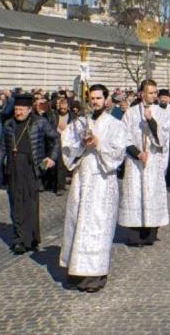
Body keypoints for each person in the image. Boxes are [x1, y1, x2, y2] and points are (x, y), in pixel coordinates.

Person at [59, 84, 129, 293]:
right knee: (78, 222)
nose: (95, 101)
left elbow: (118, 153)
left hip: (102, 181)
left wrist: (98, 144)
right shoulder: (80, 122)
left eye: (99, 98)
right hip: (82, 178)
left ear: (106, 100)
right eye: (92, 98)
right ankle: (77, 271)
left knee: (98, 226)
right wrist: (81, 143)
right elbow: (67, 145)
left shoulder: (115, 124)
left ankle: (96, 274)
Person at [0, 94, 59, 254]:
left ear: (29, 109)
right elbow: (2, 148)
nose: (18, 112)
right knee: (16, 204)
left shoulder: (40, 122)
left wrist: (52, 158)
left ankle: (32, 238)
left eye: (21, 109)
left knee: (30, 204)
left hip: (32, 168)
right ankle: (19, 240)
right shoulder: (9, 124)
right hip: (13, 168)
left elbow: (56, 139)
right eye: (16, 109)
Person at [119, 80, 170, 247]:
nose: (154, 96)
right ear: (142, 93)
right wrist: (137, 153)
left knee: (151, 195)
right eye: (151, 93)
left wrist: (151, 121)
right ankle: (135, 236)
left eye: (155, 93)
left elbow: (164, 138)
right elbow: (123, 136)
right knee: (135, 195)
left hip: (153, 160)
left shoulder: (161, 113)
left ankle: (150, 234)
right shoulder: (130, 113)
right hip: (135, 161)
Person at [47, 97, 74, 196]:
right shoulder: (54, 114)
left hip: (66, 142)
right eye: (61, 108)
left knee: (62, 165)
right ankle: (51, 183)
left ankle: (60, 187)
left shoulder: (72, 116)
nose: (62, 110)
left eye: (64, 108)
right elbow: (50, 126)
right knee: (52, 163)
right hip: (55, 140)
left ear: (68, 107)